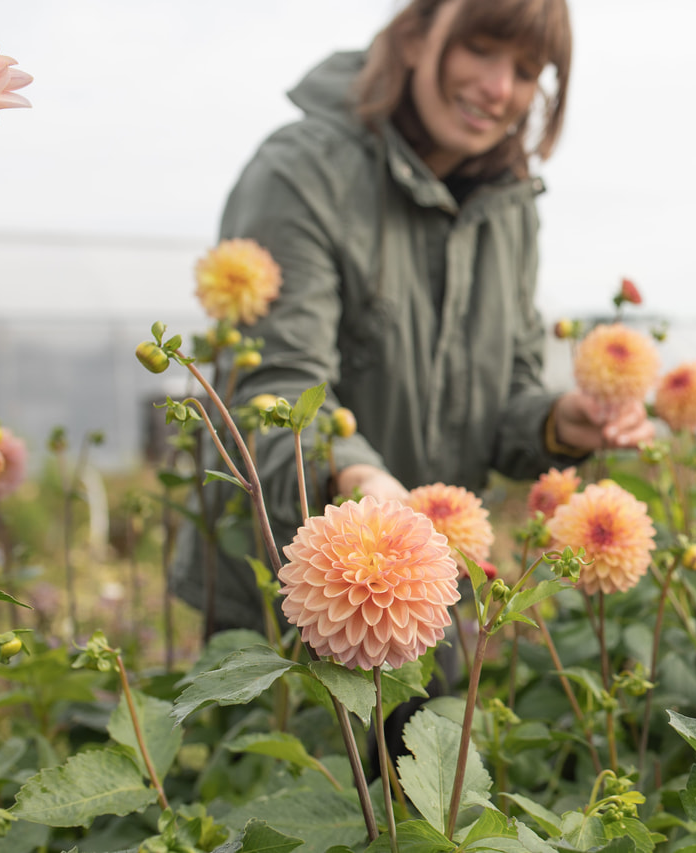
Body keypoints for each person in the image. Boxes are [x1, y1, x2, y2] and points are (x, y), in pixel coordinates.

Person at [172, 0, 652, 637]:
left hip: (426, 593)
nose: (500, 88)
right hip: (290, 599)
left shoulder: (509, 206)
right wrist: (363, 481)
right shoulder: (304, 174)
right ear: (413, 37)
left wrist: (555, 421)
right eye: (480, 48)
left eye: (528, 69)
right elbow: (270, 390)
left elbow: (506, 387)